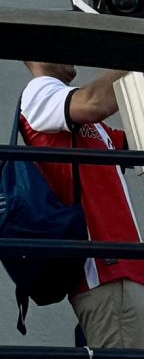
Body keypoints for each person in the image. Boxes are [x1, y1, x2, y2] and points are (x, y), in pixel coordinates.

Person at [19, 54, 144, 346]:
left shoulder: (84, 122)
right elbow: (94, 102)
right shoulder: (40, 91)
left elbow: (132, 138)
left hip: (123, 273)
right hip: (106, 274)